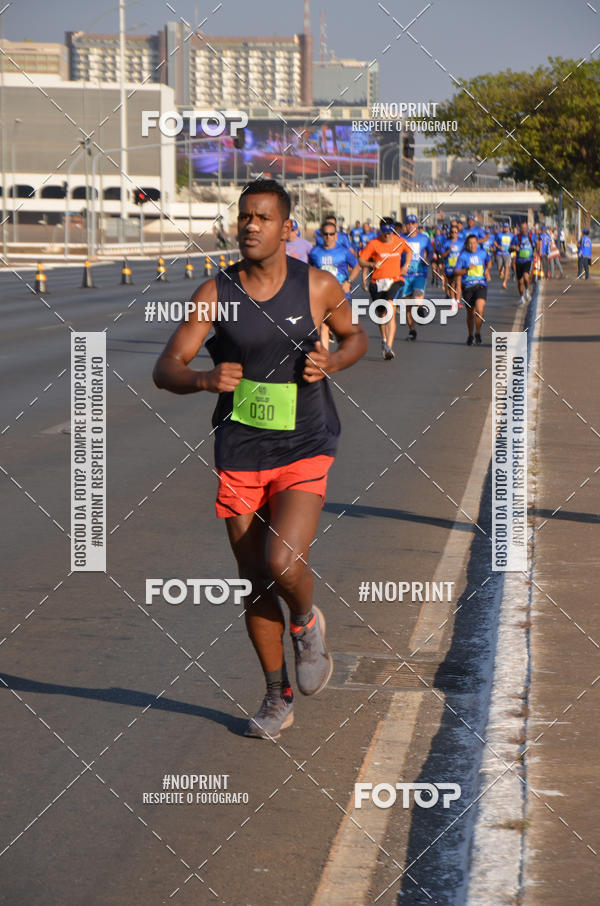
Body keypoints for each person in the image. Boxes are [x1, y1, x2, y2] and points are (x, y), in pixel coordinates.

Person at [153, 179, 368, 740]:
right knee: (253, 580)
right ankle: (277, 695)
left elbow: (355, 336)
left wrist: (334, 362)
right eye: (244, 216)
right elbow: (166, 366)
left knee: (283, 563)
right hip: (240, 451)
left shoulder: (317, 285)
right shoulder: (215, 293)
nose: (250, 225)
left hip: (304, 445)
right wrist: (203, 379)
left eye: (263, 218)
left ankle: (306, 623)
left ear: (286, 228)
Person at [358, 217, 412, 359]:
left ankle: (389, 347)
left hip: (395, 280)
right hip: (377, 282)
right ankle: (383, 338)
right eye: (384, 232)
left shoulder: (400, 241)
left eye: (389, 232)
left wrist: (406, 265)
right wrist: (371, 264)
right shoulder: (374, 243)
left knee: (390, 309)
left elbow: (409, 251)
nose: (387, 235)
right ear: (380, 230)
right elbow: (361, 260)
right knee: (381, 315)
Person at [309, 221, 361, 348]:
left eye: (331, 234)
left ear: (336, 235)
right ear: (321, 235)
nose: (328, 237)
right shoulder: (314, 252)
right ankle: (325, 355)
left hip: (340, 292)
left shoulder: (344, 252)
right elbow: (309, 270)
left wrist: (348, 281)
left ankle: (343, 340)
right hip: (322, 294)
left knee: (340, 324)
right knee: (324, 325)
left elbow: (356, 267)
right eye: (325, 234)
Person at [400, 214, 434, 341]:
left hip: (420, 273)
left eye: (413, 223)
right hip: (405, 275)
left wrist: (427, 259)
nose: (410, 226)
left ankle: (420, 309)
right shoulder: (401, 238)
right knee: (407, 305)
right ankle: (412, 330)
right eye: (408, 223)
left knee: (417, 298)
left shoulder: (424, 238)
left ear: (417, 225)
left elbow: (431, 252)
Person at [454, 234, 492, 345]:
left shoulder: (482, 253)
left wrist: (487, 270)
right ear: (467, 244)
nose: (472, 245)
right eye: (470, 243)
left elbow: (489, 262)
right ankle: (470, 335)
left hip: (481, 285)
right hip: (467, 287)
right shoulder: (462, 256)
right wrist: (466, 269)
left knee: (480, 309)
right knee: (470, 313)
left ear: (477, 243)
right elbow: (456, 271)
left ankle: (478, 332)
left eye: (474, 243)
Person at [510, 220, 536, 305]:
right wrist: (514, 248)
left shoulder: (531, 236)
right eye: (522, 228)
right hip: (519, 261)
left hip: (528, 260)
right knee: (520, 282)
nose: (524, 229)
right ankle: (521, 297)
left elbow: (536, 245)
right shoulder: (516, 238)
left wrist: (536, 252)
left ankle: (527, 291)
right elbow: (509, 249)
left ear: (527, 228)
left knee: (526, 277)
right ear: (520, 228)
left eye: (525, 228)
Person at [440, 223, 463, 301]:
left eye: (456, 232)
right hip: (449, 267)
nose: (454, 234)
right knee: (451, 284)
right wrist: (449, 250)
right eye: (452, 232)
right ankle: (453, 301)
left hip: (458, 267)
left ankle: (458, 301)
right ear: (450, 233)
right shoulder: (446, 243)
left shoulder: (461, 243)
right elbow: (442, 255)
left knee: (458, 283)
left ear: (458, 233)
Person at [492, 221, 514, 289]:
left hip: (507, 253)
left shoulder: (512, 235)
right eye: (504, 227)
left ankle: (504, 282)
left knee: (507, 266)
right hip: (499, 253)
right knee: (499, 268)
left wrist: (513, 248)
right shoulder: (499, 234)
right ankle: (502, 273)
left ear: (509, 228)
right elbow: (494, 242)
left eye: (507, 227)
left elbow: (514, 243)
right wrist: (498, 246)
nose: (505, 228)